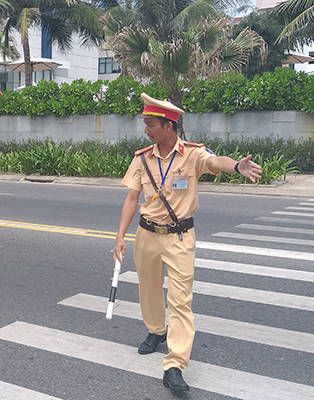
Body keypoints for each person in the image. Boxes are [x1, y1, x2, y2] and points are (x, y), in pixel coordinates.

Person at [112, 93, 262, 394]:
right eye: (145, 124)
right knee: (149, 289)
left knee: (180, 301)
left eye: (151, 124)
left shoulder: (192, 154)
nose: (146, 130)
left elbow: (214, 160)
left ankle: (175, 364)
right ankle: (156, 331)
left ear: (169, 126)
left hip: (180, 237)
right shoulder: (142, 157)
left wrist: (236, 167)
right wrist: (120, 238)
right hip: (146, 235)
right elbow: (131, 198)